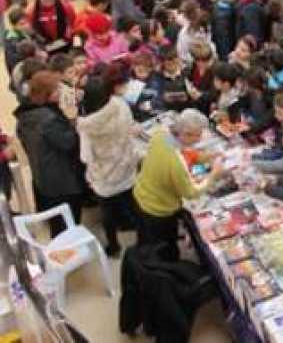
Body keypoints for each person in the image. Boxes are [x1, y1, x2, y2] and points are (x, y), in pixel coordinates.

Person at [132, 109, 227, 259]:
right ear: (187, 134)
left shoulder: (162, 134)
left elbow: (182, 151)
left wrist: (206, 156)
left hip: (141, 195)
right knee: (164, 251)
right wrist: (214, 174)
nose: (200, 139)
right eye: (198, 135)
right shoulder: (176, 163)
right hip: (159, 210)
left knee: (144, 241)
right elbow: (192, 192)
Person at [77, 69, 142, 256]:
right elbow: (130, 128)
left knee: (108, 213)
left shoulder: (86, 127)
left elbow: (85, 157)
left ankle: (113, 245)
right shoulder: (120, 105)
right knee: (132, 202)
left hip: (103, 176)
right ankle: (141, 238)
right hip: (126, 165)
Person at [14, 71, 86, 238]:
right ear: (46, 95)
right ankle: (69, 252)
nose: (60, 92)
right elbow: (70, 143)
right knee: (68, 221)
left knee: (57, 221)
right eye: (56, 90)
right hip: (62, 180)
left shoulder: (26, 114)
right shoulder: (49, 120)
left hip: (44, 176)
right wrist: (72, 118)